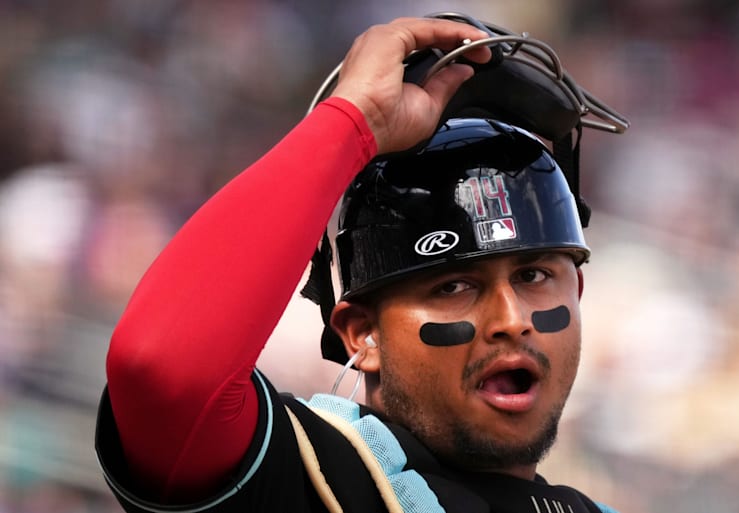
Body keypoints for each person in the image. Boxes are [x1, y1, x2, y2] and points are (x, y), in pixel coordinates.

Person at [95, 15, 621, 513]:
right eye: (454, 286)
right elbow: (164, 373)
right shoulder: (311, 473)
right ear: (361, 334)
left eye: (533, 276)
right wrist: (355, 120)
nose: (512, 319)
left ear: (576, 290)